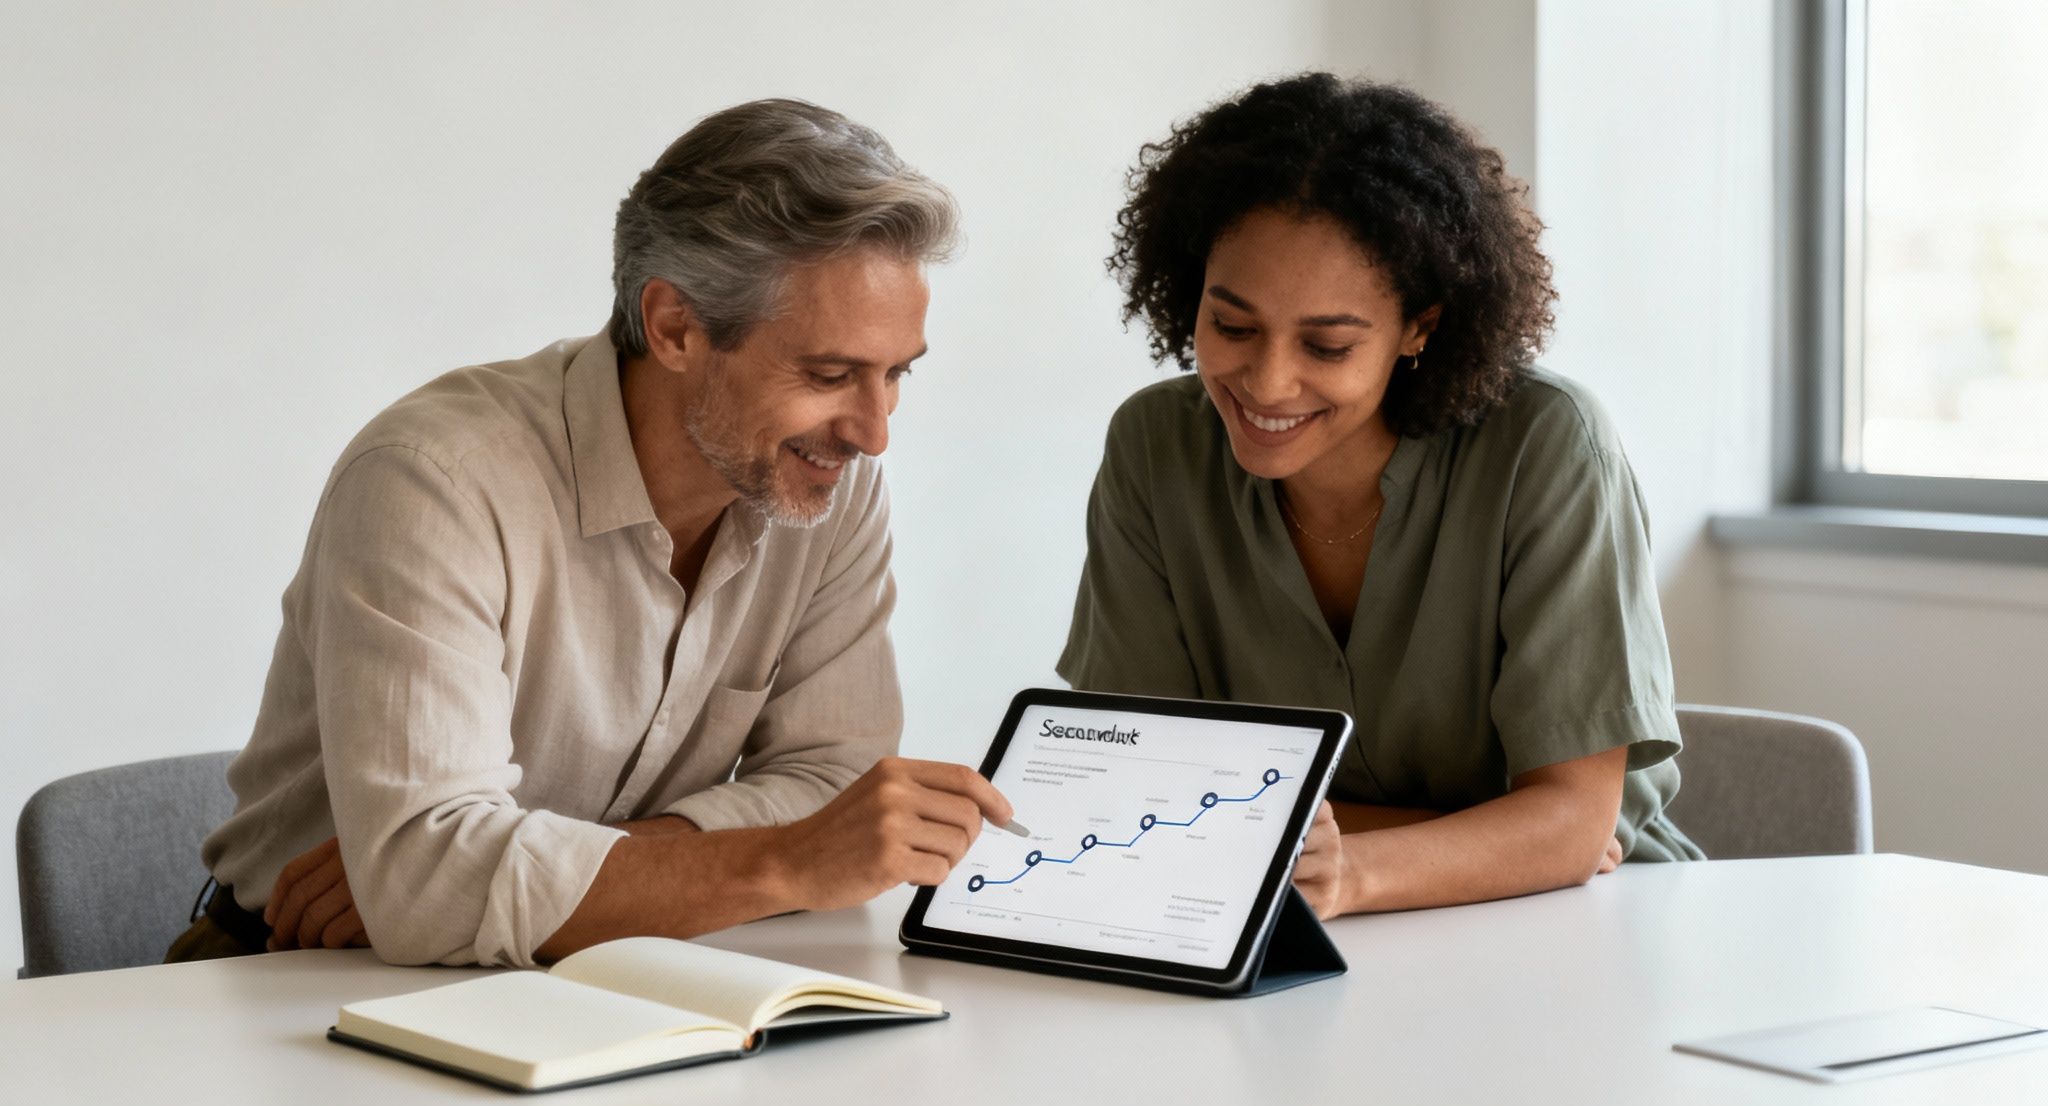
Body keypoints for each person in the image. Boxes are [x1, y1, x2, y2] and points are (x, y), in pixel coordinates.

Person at [167, 98, 1012, 969]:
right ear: (675, 327)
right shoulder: (435, 479)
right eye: (831, 374)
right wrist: (784, 859)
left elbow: (834, 781)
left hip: (599, 967)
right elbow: (424, 891)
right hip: (299, 973)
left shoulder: (827, 481)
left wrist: (511, 869)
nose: (873, 431)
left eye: (895, 374)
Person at [1060, 73, 1703, 921]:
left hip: (1582, 923)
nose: (1267, 381)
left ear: (1421, 327)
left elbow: (1572, 830)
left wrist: (1350, 863)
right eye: (1233, 326)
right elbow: (1141, 788)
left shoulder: (1546, 445)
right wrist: (1475, 834)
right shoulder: (1155, 449)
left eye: (1327, 345)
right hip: (1283, 920)